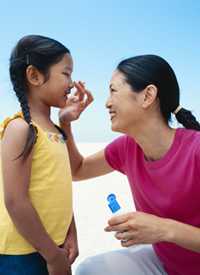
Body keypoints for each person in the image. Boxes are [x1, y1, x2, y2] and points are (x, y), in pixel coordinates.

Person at [59, 54, 200, 275]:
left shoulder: (196, 150)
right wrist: (65, 124)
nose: (107, 102)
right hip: (167, 264)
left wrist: (163, 229)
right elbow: (77, 170)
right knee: (90, 270)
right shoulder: (127, 148)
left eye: (113, 91)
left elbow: (164, 230)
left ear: (147, 96)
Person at [0, 34, 92, 275]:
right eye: (66, 73)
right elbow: (15, 201)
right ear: (34, 75)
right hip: (21, 253)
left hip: (54, 246)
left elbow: (60, 186)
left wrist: (70, 232)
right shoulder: (20, 129)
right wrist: (52, 256)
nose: (72, 84)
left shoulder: (56, 131)